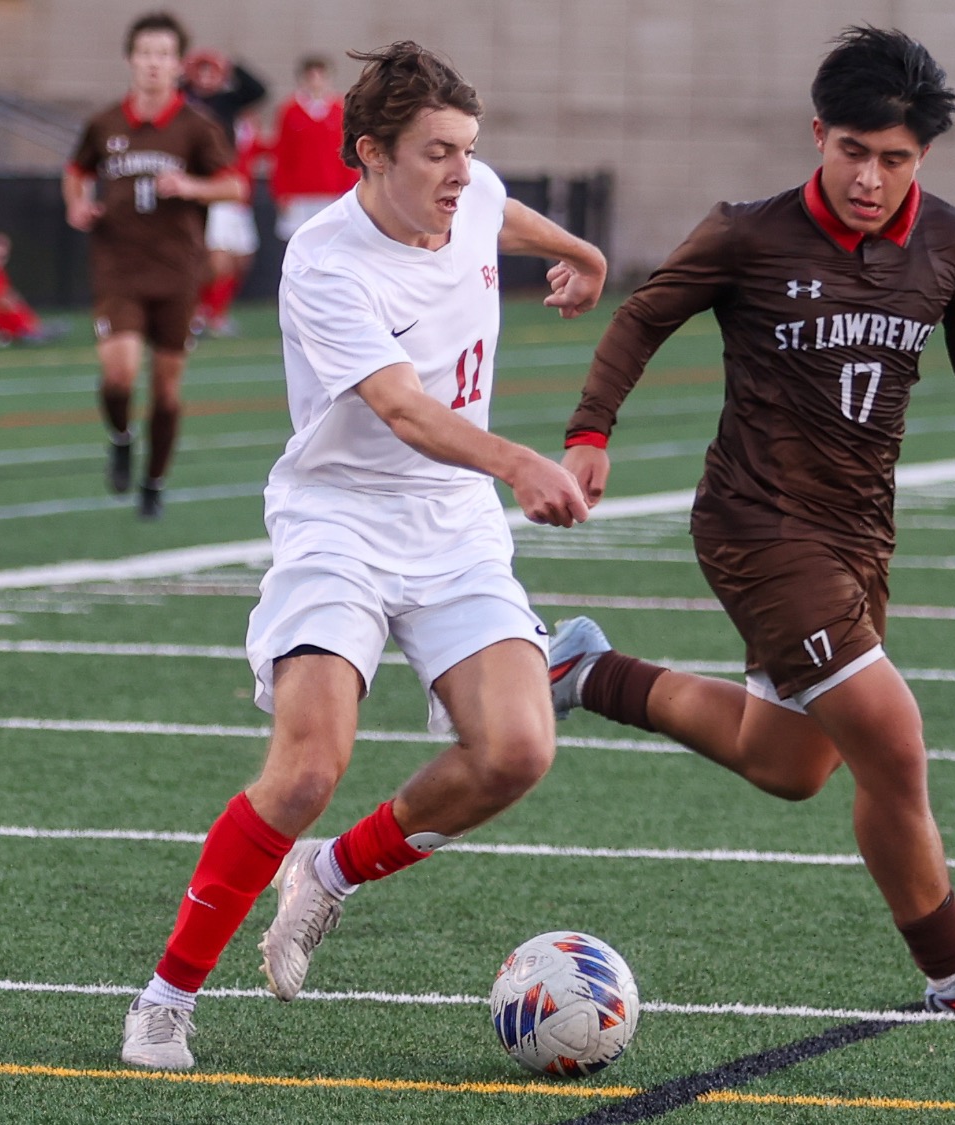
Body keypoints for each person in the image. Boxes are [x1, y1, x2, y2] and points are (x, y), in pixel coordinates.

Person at [548, 27, 955, 1018]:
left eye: (894, 159)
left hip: (859, 534)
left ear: (922, 155)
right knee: (892, 741)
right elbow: (643, 315)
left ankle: (585, 671)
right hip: (755, 521)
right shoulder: (747, 234)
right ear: (817, 133)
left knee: (787, 763)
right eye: (852, 152)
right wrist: (589, 432)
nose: (870, 178)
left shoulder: (952, 244)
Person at [118, 39, 606, 1072]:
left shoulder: (469, 191)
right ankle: (165, 998)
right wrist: (519, 461)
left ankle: (328, 876)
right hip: (339, 519)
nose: (461, 172)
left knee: (517, 750)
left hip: (454, 525)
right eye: (437, 153)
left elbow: (499, 214)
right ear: (370, 154)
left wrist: (583, 253)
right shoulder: (325, 260)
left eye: (468, 148)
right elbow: (401, 409)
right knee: (307, 766)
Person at [66, 12, 244, 520]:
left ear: (178, 64)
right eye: (145, 53)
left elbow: (234, 186)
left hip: (177, 271)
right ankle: (121, 437)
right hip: (118, 265)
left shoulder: (196, 126)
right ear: (130, 59)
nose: (153, 64)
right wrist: (77, 204)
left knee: (166, 391)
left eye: (163, 55)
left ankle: (154, 481)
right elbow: (76, 170)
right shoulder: (105, 123)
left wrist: (191, 186)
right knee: (119, 375)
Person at [183, 48, 266, 336]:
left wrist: (231, 64)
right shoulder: (184, 100)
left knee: (239, 259)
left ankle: (211, 311)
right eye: (201, 72)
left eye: (212, 72)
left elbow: (258, 90)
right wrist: (183, 70)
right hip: (203, 183)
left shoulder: (227, 101)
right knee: (215, 259)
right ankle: (193, 309)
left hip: (230, 185)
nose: (206, 78)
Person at [267, 55, 356, 242]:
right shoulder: (290, 111)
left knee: (331, 242)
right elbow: (282, 154)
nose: (316, 82)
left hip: (332, 193)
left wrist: (349, 191)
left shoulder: (340, 110)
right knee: (299, 242)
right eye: (311, 76)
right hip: (298, 195)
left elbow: (348, 154)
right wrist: (281, 192)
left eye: (321, 76)